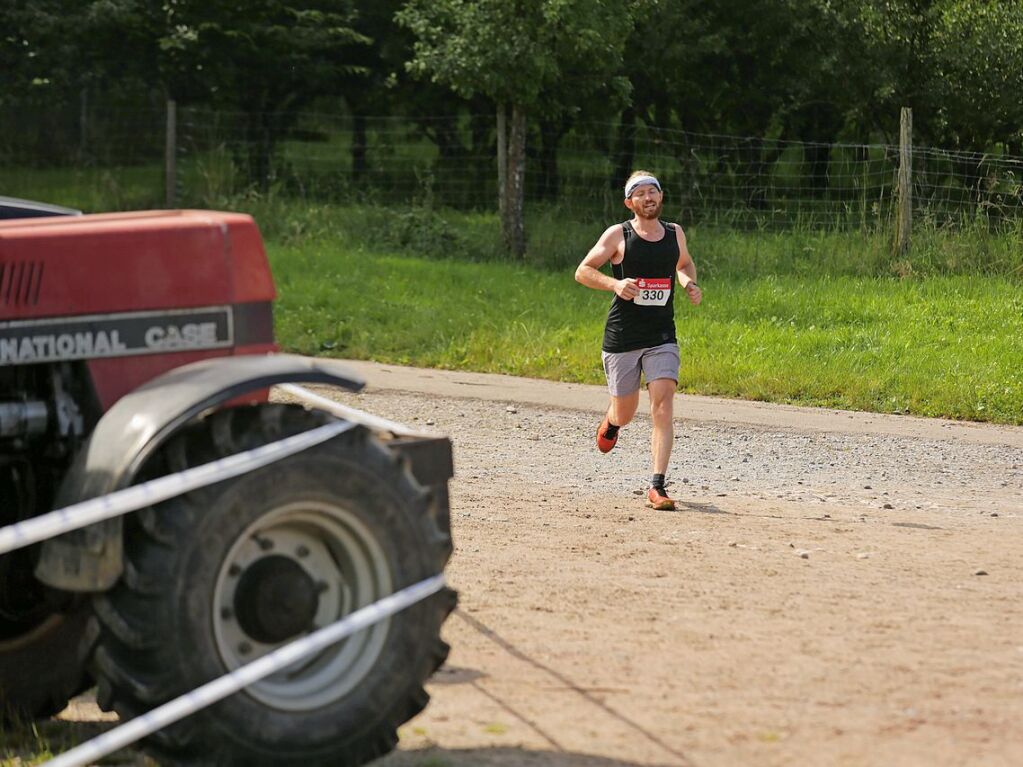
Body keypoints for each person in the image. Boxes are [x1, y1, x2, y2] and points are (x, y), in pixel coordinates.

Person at [574, 170, 702, 510]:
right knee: (627, 412)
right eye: (641, 193)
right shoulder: (619, 235)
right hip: (623, 336)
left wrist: (688, 282)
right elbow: (583, 270)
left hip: (662, 334)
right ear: (629, 202)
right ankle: (612, 421)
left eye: (654, 191)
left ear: (661, 197)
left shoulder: (675, 233)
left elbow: (685, 263)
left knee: (662, 403)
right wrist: (615, 285)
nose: (649, 197)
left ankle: (657, 485)